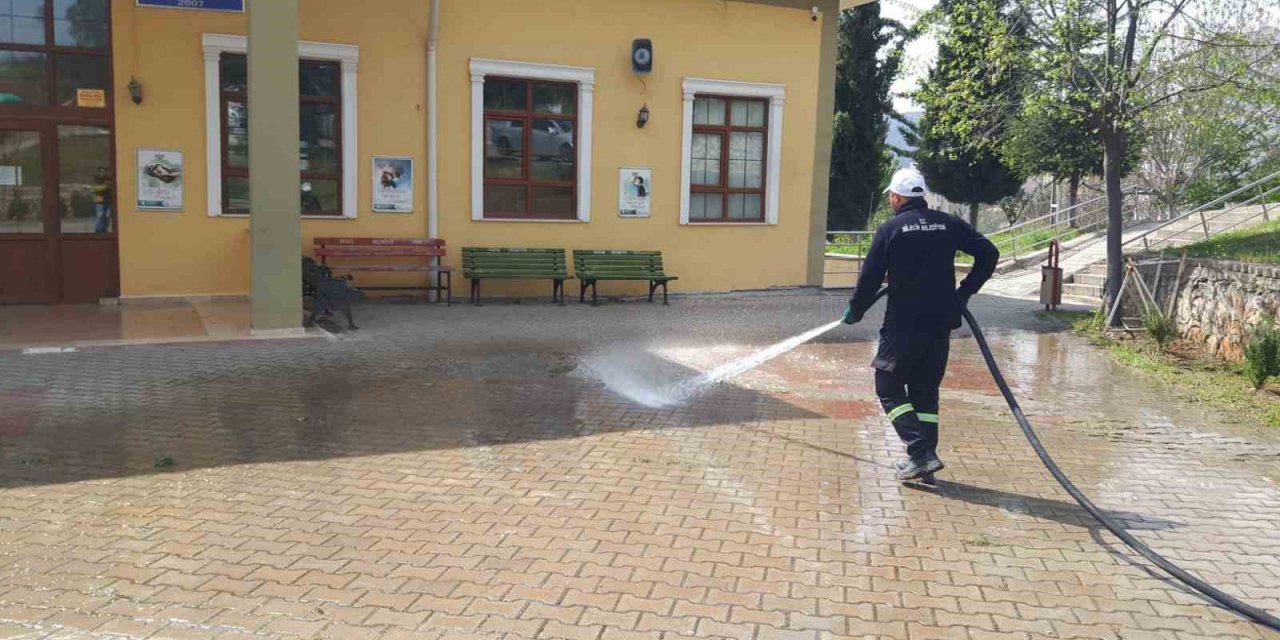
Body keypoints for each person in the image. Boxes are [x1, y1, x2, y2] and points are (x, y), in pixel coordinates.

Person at [842, 167, 999, 481]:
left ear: (897, 197)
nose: (890, 199)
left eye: (890, 195)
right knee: (925, 392)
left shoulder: (891, 229)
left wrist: (855, 310)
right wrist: (963, 293)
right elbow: (989, 254)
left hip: (903, 325)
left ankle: (920, 451)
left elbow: (870, 278)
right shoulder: (949, 224)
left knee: (887, 387)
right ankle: (925, 459)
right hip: (941, 323)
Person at [92, 167, 112, 234]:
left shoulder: (109, 180)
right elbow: (95, 188)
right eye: (101, 172)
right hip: (99, 201)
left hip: (108, 201)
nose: (103, 174)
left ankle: (104, 230)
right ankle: (98, 230)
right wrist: (106, 187)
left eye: (104, 172)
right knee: (100, 215)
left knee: (107, 216)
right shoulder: (96, 180)